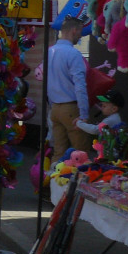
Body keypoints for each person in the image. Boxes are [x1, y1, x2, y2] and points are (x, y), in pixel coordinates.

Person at [48, 16, 93, 155]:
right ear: (74, 30)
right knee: (82, 153)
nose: (80, 37)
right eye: (80, 32)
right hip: (71, 108)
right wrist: (84, 114)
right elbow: (80, 86)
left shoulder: (50, 51)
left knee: (59, 152)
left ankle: (52, 176)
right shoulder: (73, 53)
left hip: (54, 108)